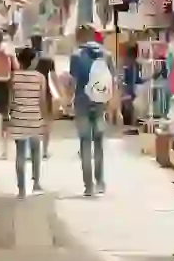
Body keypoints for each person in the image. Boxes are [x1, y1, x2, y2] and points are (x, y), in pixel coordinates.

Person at [68, 24, 114, 196]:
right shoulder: (106, 55)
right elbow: (113, 82)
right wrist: (113, 107)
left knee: (85, 144)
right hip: (100, 103)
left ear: (79, 36)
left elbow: (72, 83)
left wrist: (67, 101)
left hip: (81, 102)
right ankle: (100, 181)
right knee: (99, 144)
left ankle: (89, 186)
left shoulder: (76, 56)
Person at [8, 48, 49, 198]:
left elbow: (11, 100)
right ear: (32, 61)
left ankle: (21, 189)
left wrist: (8, 117)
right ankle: (36, 183)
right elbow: (42, 101)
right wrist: (44, 120)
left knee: (20, 154)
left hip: (18, 118)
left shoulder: (14, 77)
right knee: (36, 152)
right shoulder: (40, 77)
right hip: (34, 118)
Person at [31, 35, 58, 157]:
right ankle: (45, 150)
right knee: (46, 122)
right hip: (45, 92)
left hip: (30, 93)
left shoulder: (27, 60)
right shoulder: (48, 60)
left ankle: (32, 150)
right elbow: (54, 79)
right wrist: (60, 94)